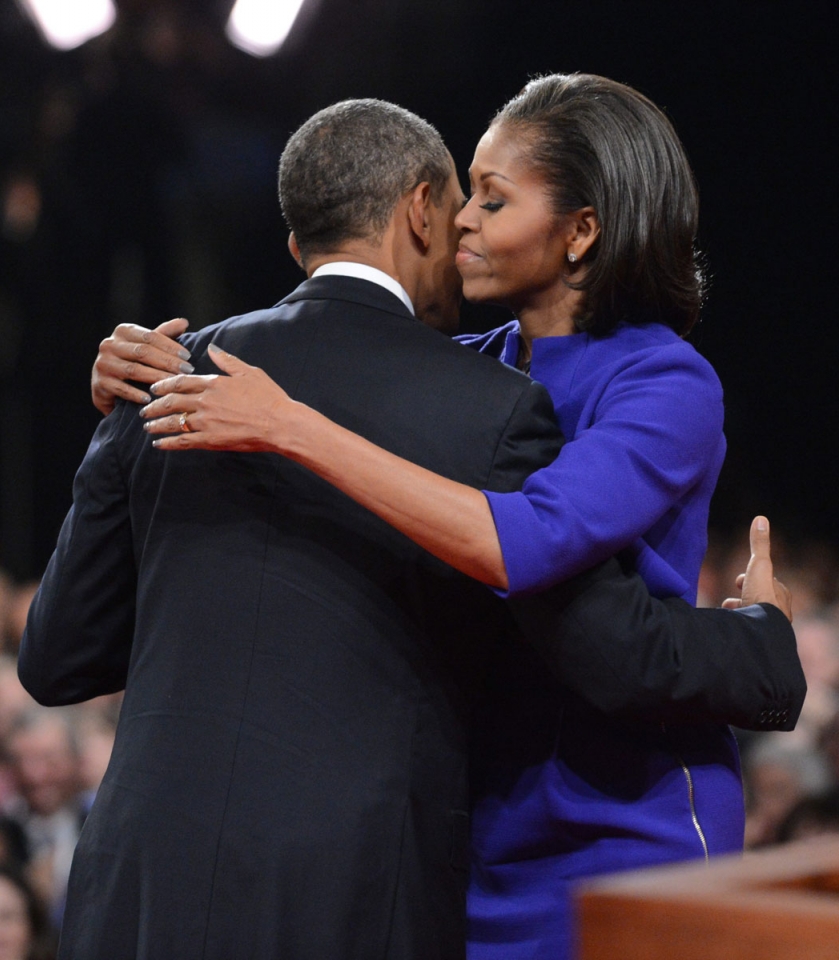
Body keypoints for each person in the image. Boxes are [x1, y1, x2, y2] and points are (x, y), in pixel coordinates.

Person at [124, 75, 802, 959]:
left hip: (623, 823)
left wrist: (291, 427)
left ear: (581, 231)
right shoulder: (467, 369)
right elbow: (320, 352)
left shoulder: (663, 381)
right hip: (474, 823)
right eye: (462, 195)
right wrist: (143, 365)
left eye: (492, 198)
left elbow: (525, 540)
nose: (459, 221)